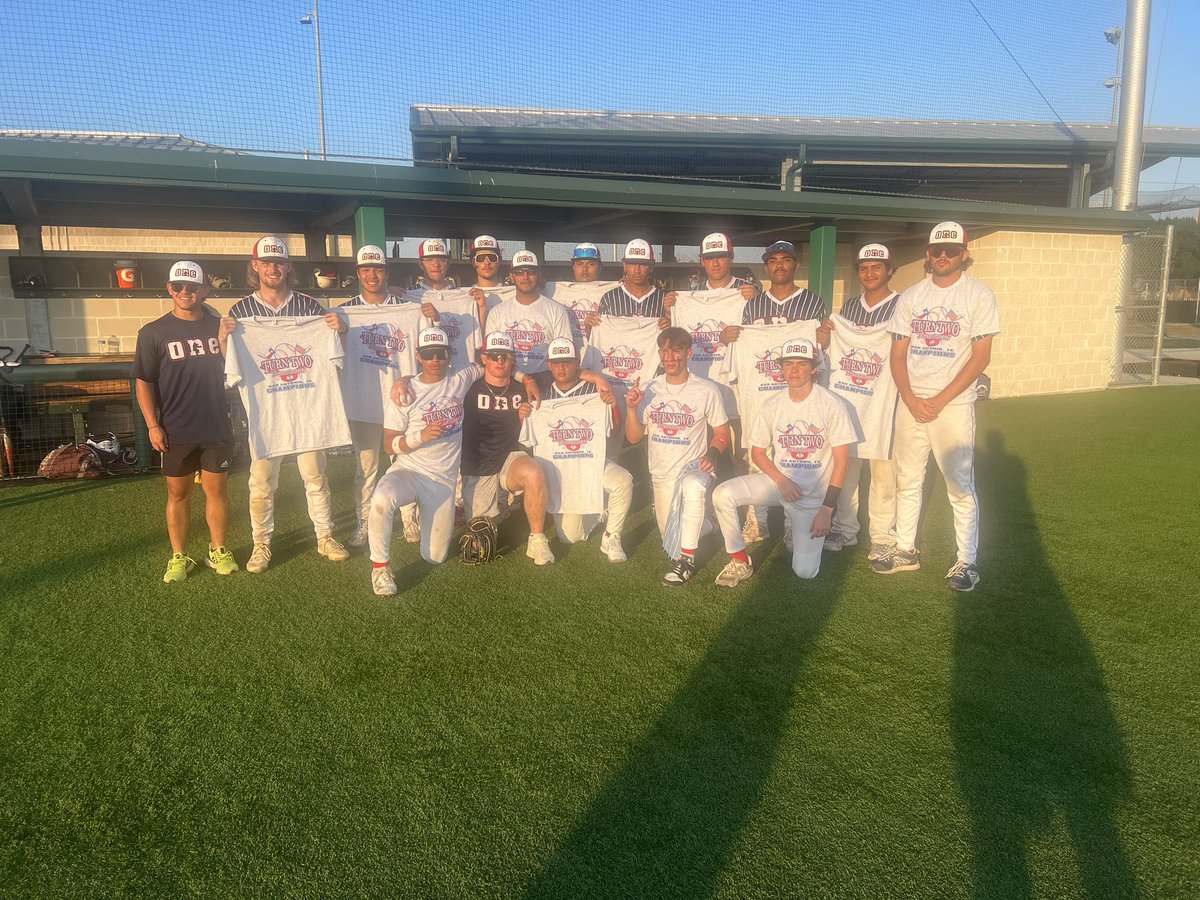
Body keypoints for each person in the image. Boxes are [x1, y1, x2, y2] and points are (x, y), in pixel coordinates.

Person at [873, 222, 1000, 592]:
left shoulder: (978, 295)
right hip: (911, 402)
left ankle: (967, 561)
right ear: (928, 254)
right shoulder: (911, 296)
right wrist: (911, 398)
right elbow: (897, 354)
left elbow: (980, 358)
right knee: (907, 480)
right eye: (936, 249)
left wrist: (939, 400)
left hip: (953, 404)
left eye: (951, 249)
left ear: (964, 253)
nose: (943, 255)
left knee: (959, 484)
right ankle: (904, 550)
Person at [218, 235, 349, 573]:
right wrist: (223, 338)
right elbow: (231, 366)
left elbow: (335, 355)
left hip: (308, 411)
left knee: (316, 476)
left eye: (279, 262)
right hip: (268, 415)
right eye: (267, 262)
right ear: (256, 266)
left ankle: (325, 535)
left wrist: (339, 329)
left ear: (288, 267)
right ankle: (261, 543)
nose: (273, 268)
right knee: (260, 482)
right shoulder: (240, 313)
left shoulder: (311, 308)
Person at [710, 337, 856, 586]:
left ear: (814, 368)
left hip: (811, 499)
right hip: (779, 485)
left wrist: (826, 511)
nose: (795, 370)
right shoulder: (772, 404)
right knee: (722, 494)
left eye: (802, 364)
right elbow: (757, 452)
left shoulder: (832, 404)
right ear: (781, 368)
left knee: (805, 572)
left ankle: (797, 532)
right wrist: (781, 480)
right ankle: (739, 560)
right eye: (789, 364)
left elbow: (842, 462)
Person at [718, 238, 832, 545]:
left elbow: (821, 351)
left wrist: (824, 338)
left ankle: (795, 521)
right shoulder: (752, 306)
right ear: (766, 266)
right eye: (773, 261)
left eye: (785, 260)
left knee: (798, 457)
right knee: (759, 456)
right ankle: (759, 520)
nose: (779, 265)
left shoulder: (813, 302)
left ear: (795, 265)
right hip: (761, 394)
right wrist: (729, 338)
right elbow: (737, 352)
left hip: (799, 397)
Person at [134, 260, 237, 582]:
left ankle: (217, 549)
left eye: (191, 287)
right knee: (178, 495)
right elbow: (144, 382)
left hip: (217, 426)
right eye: (178, 286)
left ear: (203, 290)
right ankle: (179, 555)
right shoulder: (152, 332)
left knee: (217, 492)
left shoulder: (221, 326)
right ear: (169, 289)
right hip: (176, 429)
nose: (184, 292)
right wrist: (153, 424)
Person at [367, 327, 481, 595]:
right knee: (382, 498)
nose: (435, 359)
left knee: (435, 557)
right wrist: (420, 437)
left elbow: (490, 363)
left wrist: (528, 379)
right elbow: (388, 445)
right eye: (428, 353)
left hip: (443, 482)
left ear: (449, 355)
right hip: (411, 470)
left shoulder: (460, 378)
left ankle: (420, 515)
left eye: (440, 353)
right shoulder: (405, 393)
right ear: (418, 355)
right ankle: (380, 569)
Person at [624, 327, 731, 585]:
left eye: (676, 350)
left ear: (688, 353)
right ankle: (710, 523)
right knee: (669, 538)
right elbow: (634, 438)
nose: (669, 357)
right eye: (664, 350)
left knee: (692, 486)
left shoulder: (706, 390)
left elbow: (722, 432)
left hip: (693, 469)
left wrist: (714, 454)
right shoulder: (649, 388)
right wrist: (630, 409)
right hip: (661, 475)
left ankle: (687, 563)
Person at [340, 244, 421, 548]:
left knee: (407, 464)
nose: (372, 275)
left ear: (386, 272)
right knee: (366, 469)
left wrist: (430, 317)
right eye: (365, 269)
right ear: (358, 273)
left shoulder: (407, 309)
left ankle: (410, 519)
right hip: (362, 402)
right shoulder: (344, 311)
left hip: (401, 403)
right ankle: (364, 522)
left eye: (377, 269)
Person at [824, 243, 902, 559]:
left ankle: (883, 535)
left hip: (887, 402)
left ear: (889, 270)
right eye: (864, 268)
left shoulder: (903, 305)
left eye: (876, 267)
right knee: (846, 470)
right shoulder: (849, 309)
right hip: (849, 403)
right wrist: (828, 334)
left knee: (884, 473)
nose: (869, 273)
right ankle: (846, 530)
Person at [531, 337, 631, 561]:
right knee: (570, 537)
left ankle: (612, 536)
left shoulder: (594, 389)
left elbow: (613, 431)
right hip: (561, 473)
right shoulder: (541, 395)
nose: (562, 367)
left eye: (567, 361)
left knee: (622, 480)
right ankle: (597, 510)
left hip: (590, 463)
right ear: (549, 364)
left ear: (578, 362)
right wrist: (523, 416)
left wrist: (613, 406)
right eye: (556, 362)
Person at [460, 332, 553, 564]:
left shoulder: (523, 385)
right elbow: (433, 377)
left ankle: (537, 539)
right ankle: (502, 503)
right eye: (494, 356)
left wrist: (600, 380)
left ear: (513, 360)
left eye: (505, 356)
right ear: (484, 358)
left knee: (534, 472)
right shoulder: (468, 385)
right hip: (478, 465)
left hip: (509, 458)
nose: (499, 361)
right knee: (481, 532)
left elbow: (566, 371)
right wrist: (403, 381)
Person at [484, 250, 573, 374]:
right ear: (511, 276)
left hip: (545, 380)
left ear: (539, 275)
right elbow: (491, 356)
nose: (525, 277)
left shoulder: (556, 310)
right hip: (509, 380)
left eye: (531, 272)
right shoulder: (497, 312)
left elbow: (565, 354)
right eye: (519, 272)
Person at [592, 240, 668, 325]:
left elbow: (677, 335)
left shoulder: (664, 299)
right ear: (625, 265)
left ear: (652, 266)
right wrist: (589, 328)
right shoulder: (609, 299)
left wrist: (670, 325)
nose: (637, 270)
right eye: (632, 264)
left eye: (643, 264)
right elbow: (601, 335)